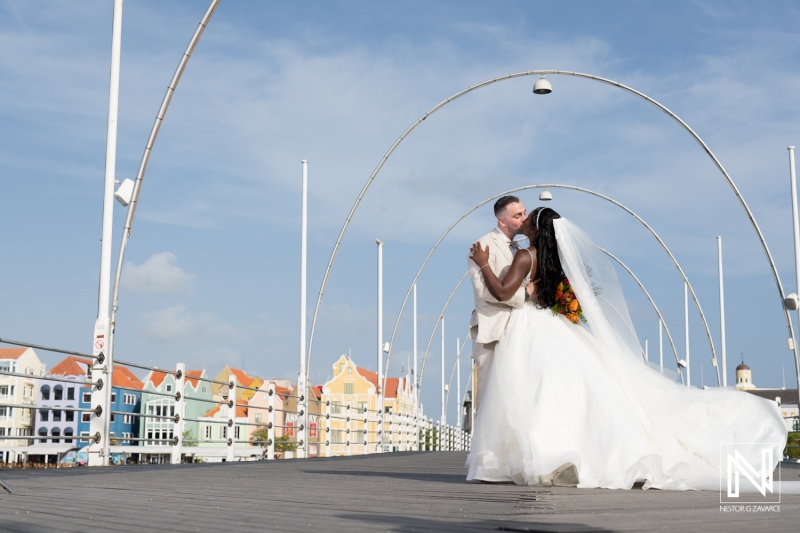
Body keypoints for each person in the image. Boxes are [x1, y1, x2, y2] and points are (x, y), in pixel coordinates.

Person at [465, 206, 788, 490]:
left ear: (536, 229)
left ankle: (540, 457)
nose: (523, 222)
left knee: (530, 392)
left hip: (529, 327)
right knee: (558, 391)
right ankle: (558, 456)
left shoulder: (525, 255)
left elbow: (504, 293)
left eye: (528, 219)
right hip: (555, 325)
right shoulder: (558, 260)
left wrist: (484, 264)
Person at [467, 196, 533, 412]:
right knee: (488, 395)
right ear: (502, 221)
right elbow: (484, 291)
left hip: (519, 329)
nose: (525, 218)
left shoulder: (520, 248)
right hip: (492, 332)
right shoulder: (482, 246)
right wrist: (524, 295)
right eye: (518, 215)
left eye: (524, 212)